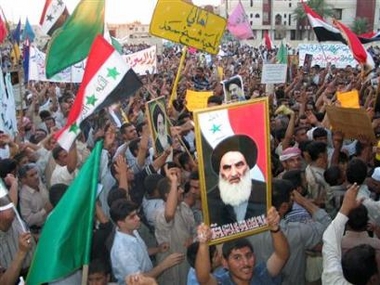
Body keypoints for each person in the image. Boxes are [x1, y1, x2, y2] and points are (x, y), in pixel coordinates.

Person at [195, 206, 289, 285]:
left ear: (254, 256)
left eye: (248, 255)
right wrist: (203, 243)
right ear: (225, 262)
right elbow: (203, 278)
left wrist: (275, 228)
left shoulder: (262, 274)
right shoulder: (221, 282)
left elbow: (282, 255)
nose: (245, 263)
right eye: (237, 258)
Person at [109, 198, 184, 285]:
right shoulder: (122, 251)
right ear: (121, 223)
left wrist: (158, 249)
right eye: (132, 217)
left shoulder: (132, 230)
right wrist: (165, 265)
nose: (138, 218)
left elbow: (141, 252)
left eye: (136, 214)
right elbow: (139, 280)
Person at [322, 182, 380, 284]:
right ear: (373, 280)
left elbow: (329, 242)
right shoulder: (377, 244)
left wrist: (345, 208)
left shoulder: (333, 281)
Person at [207, 135, 267, 229]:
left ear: (247, 167)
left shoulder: (265, 190)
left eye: (239, 165)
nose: (234, 173)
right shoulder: (210, 199)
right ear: (220, 172)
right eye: (227, 168)